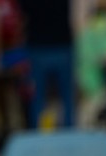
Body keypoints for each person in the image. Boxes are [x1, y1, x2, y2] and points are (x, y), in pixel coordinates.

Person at [16, 0, 75, 129]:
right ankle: (70, 133)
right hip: (61, 45)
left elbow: (21, 15)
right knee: (67, 98)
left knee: (37, 98)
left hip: (38, 47)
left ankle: (37, 134)